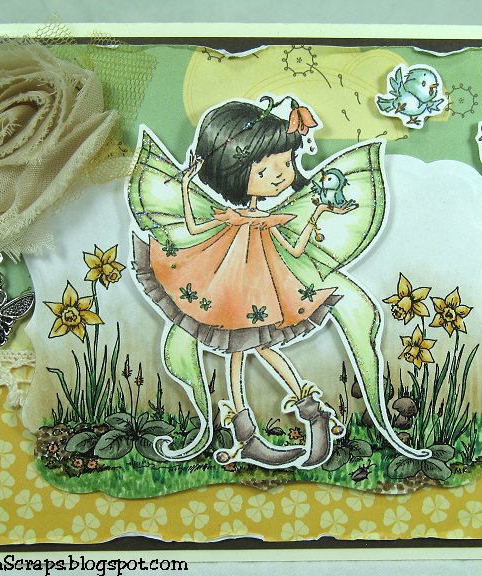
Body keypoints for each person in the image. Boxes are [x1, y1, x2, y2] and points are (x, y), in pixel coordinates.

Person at [132, 98, 355, 468]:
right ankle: (252, 435)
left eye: (286, 163)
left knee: (258, 347)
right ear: (234, 172)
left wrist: (318, 211)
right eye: (264, 169)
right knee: (241, 351)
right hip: (229, 292)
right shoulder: (231, 217)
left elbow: (295, 250)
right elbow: (194, 229)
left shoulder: (270, 221)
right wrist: (186, 186)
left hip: (264, 294)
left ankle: (310, 416)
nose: (281, 175)